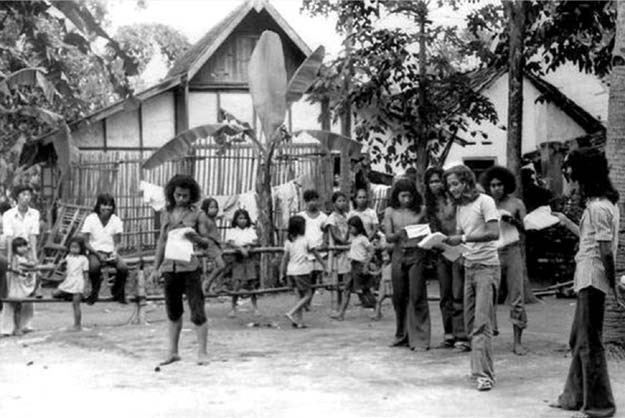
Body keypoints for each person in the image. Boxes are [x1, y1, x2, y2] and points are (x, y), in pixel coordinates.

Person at [549, 149, 624, 418]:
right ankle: (572, 397)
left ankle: (601, 405)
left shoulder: (598, 207)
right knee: (578, 339)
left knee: (589, 343)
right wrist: (565, 221)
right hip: (587, 277)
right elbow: (589, 238)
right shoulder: (601, 205)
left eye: (573, 175)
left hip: (592, 280)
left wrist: (613, 283)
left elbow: (605, 251)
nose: (571, 180)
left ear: (585, 176)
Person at [444, 165, 500, 392]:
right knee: (469, 324)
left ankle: (485, 375)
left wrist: (463, 238)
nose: (452, 188)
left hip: (487, 267)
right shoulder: (460, 208)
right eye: (450, 185)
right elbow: (461, 240)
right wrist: (445, 245)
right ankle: (478, 369)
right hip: (468, 266)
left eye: (455, 183)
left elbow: (494, 232)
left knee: (481, 324)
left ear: (467, 182)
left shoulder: (485, 201)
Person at [151, 174, 211, 366]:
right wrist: (155, 268)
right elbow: (162, 242)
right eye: (178, 195)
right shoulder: (166, 214)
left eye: (185, 196)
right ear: (172, 194)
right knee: (173, 311)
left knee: (197, 310)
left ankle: (202, 353)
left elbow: (207, 242)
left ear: (191, 195)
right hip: (170, 268)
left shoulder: (198, 215)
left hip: (190, 268)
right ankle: (173, 352)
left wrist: (196, 238)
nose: (182, 199)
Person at [481, 165, 528, 355]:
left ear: (506, 185)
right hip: (491, 252)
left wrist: (513, 221)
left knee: (516, 297)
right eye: (492, 185)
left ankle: (518, 341)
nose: (496, 188)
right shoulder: (485, 204)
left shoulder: (516, 204)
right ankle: (490, 334)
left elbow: (528, 228)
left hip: (512, 251)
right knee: (489, 295)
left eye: (499, 184)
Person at [424, 166, 469, 351]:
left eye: (437, 181)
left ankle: (461, 335)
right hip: (441, 251)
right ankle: (448, 333)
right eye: (431, 182)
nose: (435, 185)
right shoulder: (430, 205)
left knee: (458, 293)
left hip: (458, 248)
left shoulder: (454, 199)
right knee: (445, 295)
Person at [384, 177, 430, 351]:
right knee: (399, 296)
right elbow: (388, 236)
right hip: (398, 253)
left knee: (417, 295)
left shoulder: (421, 210)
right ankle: (401, 335)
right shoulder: (390, 211)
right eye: (403, 196)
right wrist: (399, 234)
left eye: (409, 196)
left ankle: (420, 338)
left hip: (416, 253)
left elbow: (428, 231)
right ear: (397, 196)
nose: (406, 200)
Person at [3, 185, 40, 330]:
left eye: (29, 195)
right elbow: (9, 237)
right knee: (12, 290)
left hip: (27, 252)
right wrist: (11, 259)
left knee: (29, 285)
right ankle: (8, 327)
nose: (26, 197)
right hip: (13, 251)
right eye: (23, 194)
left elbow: (33, 236)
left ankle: (26, 325)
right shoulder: (8, 215)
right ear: (17, 197)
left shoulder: (34, 213)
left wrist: (34, 257)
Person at [280, 215, 326, 328]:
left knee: (298, 296)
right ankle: (291, 312)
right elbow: (316, 253)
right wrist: (324, 265)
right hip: (302, 271)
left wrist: (282, 272)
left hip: (291, 271)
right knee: (308, 295)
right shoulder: (306, 240)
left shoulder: (288, 242)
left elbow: (285, 259)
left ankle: (298, 321)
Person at [81, 194, 128, 304]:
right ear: (98, 205)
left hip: (110, 252)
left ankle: (118, 292)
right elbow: (86, 242)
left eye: (110, 205)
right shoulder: (91, 219)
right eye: (104, 205)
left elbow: (118, 243)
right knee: (94, 267)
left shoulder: (115, 220)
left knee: (123, 268)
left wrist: (115, 253)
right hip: (94, 251)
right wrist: (97, 254)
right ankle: (94, 292)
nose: (107, 208)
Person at [331, 216, 375, 320]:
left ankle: (377, 309)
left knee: (365, 290)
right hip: (352, 266)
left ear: (357, 227)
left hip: (360, 266)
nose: (349, 230)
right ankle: (341, 313)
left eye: (351, 228)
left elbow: (371, 250)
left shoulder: (363, 239)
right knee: (346, 290)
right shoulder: (354, 239)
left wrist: (366, 265)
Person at [225, 208, 259, 317]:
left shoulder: (250, 230)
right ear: (236, 219)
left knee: (252, 283)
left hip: (249, 258)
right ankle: (233, 308)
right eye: (240, 218)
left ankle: (255, 307)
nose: (242, 220)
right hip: (238, 258)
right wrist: (240, 248)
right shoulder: (232, 231)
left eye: (244, 218)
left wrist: (248, 247)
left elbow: (255, 241)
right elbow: (230, 242)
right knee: (237, 283)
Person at [297, 189, 328, 308]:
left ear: (318, 201)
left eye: (314, 200)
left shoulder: (323, 217)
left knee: (314, 277)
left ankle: (307, 302)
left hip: (319, 251)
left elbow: (326, 232)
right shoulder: (300, 216)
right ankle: (303, 300)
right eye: (309, 200)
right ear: (305, 202)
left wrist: (324, 242)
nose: (312, 203)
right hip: (305, 251)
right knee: (305, 277)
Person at [52, 237, 89, 331]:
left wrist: (86, 286)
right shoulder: (68, 257)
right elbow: (64, 268)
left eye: (76, 247)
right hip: (68, 281)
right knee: (55, 293)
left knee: (76, 304)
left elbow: (86, 274)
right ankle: (68, 294)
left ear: (81, 248)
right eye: (72, 247)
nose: (74, 249)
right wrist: (61, 264)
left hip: (78, 282)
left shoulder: (83, 259)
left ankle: (77, 324)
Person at [1, 237, 36, 336]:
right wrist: (22, 271)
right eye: (19, 246)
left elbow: (29, 264)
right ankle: (16, 328)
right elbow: (14, 268)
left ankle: (24, 325)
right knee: (17, 306)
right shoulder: (15, 258)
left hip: (24, 284)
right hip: (16, 287)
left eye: (24, 246)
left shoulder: (25, 257)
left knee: (27, 306)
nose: (23, 248)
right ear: (15, 248)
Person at [325, 191, 352, 309]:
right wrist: (344, 241)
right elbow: (335, 234)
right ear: (334, 203)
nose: (342, 203)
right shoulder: (331, 218)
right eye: (339, 201)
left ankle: (343, 304)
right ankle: (338, 303)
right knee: (338, 278)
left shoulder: (348, 216)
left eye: (343, 201)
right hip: (338, 250)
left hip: (347, 250)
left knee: (347, 276)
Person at [200, 198, 226, 294]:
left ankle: (212, 285)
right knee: (221, 265)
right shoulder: (204, 218)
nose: (214, 209)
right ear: (206, 208)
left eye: (215, 207)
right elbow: (204, 233)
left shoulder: (212, 219)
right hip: (209, 244)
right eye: (211, 207)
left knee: (220, 266)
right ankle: (207, 283)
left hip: (214, 245)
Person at [371, 249, 392, 321]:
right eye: (383, 256)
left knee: (395, 301)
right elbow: (378, 273)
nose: (384, 258)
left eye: (386, 256)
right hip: (383, 284)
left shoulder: (392, 265)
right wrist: (370, 272)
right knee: (379, 300)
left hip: (391, 284)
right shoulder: (383, 265)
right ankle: (377, 314)